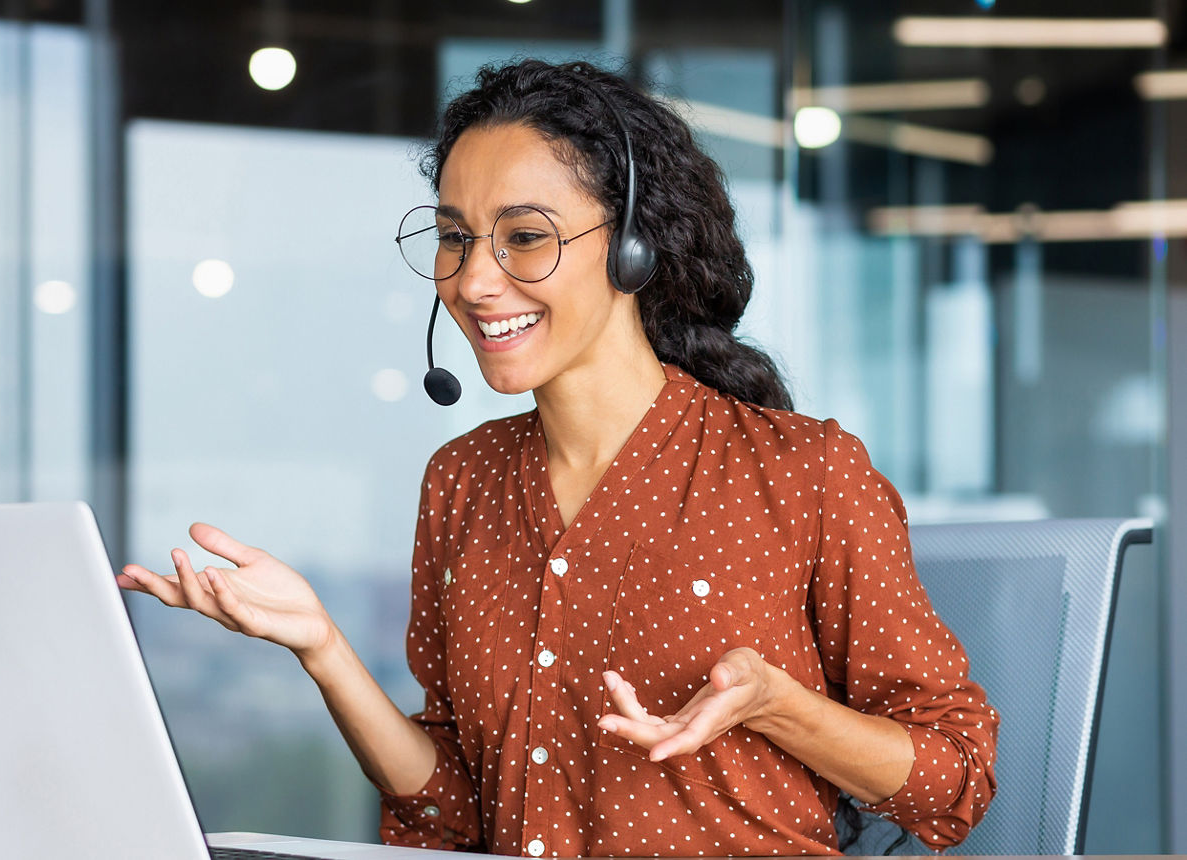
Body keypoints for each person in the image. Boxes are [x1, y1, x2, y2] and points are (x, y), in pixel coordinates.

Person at [118, 59, 998, 857]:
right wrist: (321, 648)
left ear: (631, 245)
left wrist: (779, 706)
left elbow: (956, 781)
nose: (472, 280)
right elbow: (456, 811)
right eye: (455, 237)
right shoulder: (461, 482)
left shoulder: (805, 472)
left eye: (525, 237)